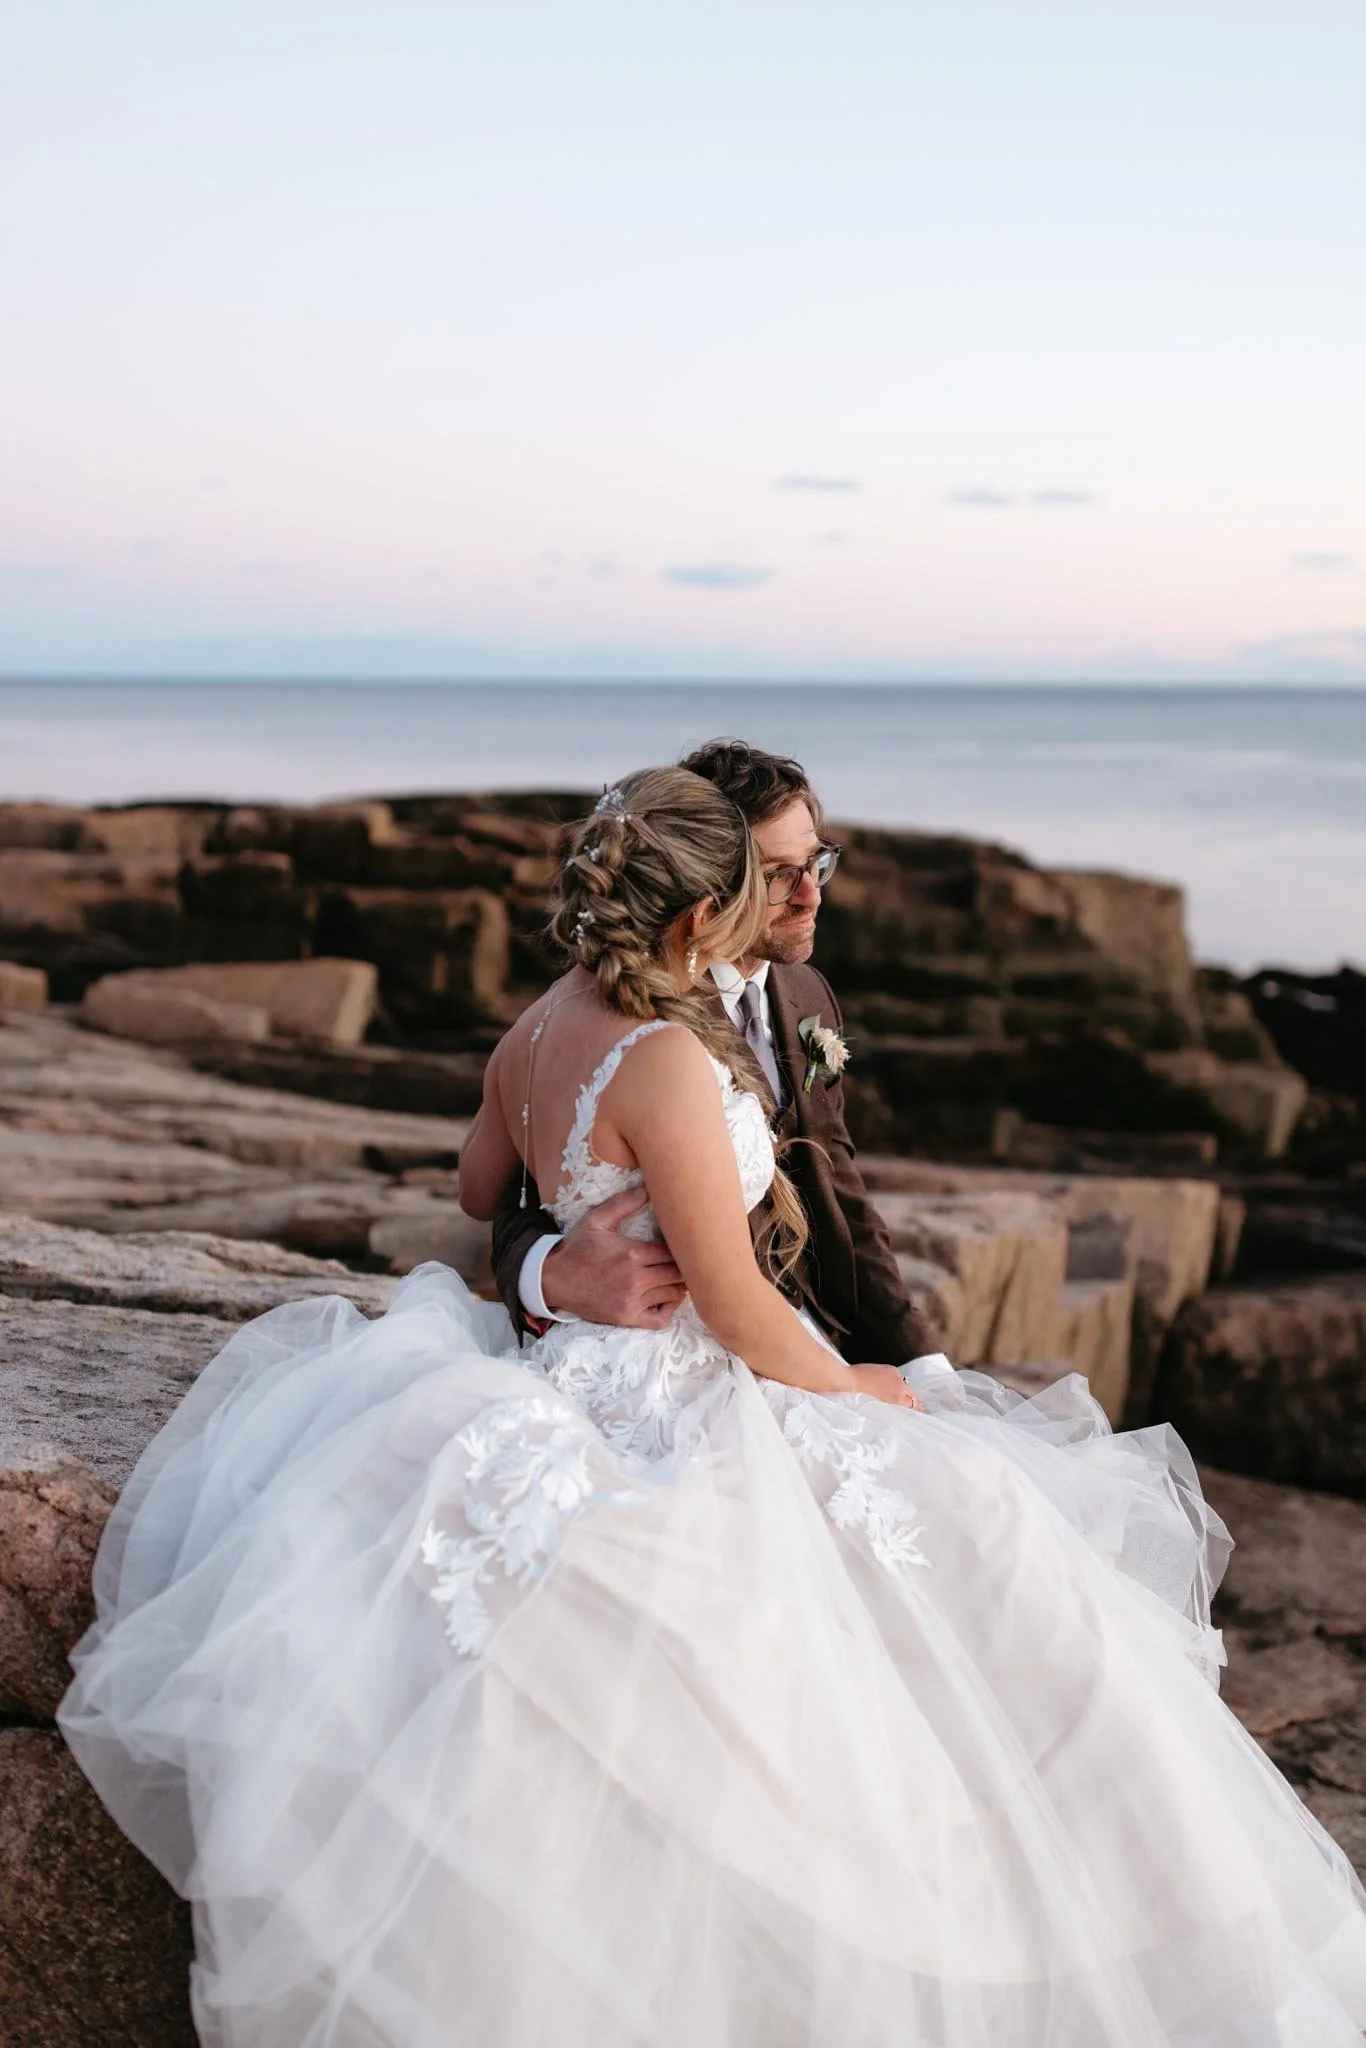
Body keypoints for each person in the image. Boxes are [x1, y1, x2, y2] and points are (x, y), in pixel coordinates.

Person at [60, 763, 1366, 2048]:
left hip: (570, 1376)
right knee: (981, 1545)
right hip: (680, 1383)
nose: (788, 902)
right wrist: (852, 1384)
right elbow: (731, 1304)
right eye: (758, 885)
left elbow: (473, 1181)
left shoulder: (539, 1025)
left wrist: (608, 1226)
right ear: (696, 915)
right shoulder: (666, 1059)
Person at [492, 738, 935, 1367]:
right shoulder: (628, 1012)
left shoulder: (807, 993)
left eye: (817, 862)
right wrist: (547, 1272)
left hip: (810, 1340)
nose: (811, 895)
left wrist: (921, 1363)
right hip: (685, 1355)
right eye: (778, 875)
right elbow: (516, 1190)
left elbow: (839, 1189)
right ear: (711, 878)